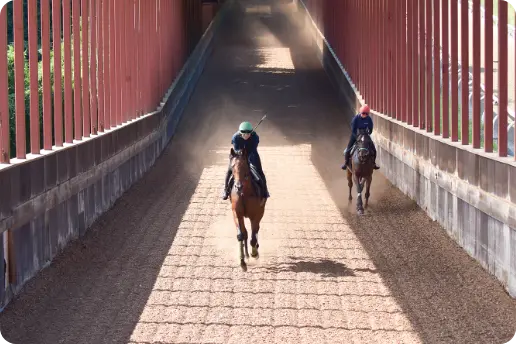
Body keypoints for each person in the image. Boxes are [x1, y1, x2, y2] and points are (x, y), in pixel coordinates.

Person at [221, 121, 270, 200]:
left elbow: (252, 150)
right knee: (229, 171)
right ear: (240, 133)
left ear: (251, 132)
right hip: (238, 155)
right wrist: (242, 160)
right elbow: (237, 151)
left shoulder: (255, 137)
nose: (246, 135)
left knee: (260, 172)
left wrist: (247, 159)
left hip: (252, 155)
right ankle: (225, 190)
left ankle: (264, 191)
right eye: (244, 134)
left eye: (248, 133)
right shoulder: (235, 138)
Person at [341, 104, 380, 171]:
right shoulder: (355, 119)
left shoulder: (369, 119)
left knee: (374, 149)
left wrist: (368, 133)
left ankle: (373, 163)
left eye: (366, 114)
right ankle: (346, 162)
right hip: (356, 134)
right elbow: (353, 129)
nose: (364, 115)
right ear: (360, 112)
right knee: (348, 148)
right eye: (363, 113)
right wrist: (357, 137)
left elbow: (370, 128)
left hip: (365, 134)